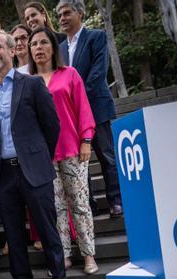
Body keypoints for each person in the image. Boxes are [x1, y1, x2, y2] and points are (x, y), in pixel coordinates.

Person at [0, 30, 72, 279]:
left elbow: (52, 126)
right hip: (3, 175)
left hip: (34, 170)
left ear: (11, 51)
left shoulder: (31, 84)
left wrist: (37, 155)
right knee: (15, 236)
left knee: (48, 230)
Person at [29, 26, 98, 274]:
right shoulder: (28, 83)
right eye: (34, 44)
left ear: (53, 47)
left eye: (43, 43)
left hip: (72, 150)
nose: (38, 48)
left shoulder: (69, 74)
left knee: (79, 204)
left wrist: (86, 140)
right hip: (44, 156)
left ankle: (89, 254)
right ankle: (64, 256)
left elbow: (83, 109)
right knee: (55, 208)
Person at [57, 0, 123, 218]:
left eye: (67, 13)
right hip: (71, 116)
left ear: (81, 13)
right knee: (79, 163)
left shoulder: (96, 37)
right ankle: (90, 205)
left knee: (106, 156)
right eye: (59, 15)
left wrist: (76, 98)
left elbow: (98, 71)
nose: (62, 18)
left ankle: (115, 201)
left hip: (96, 108)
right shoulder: (59, 49)